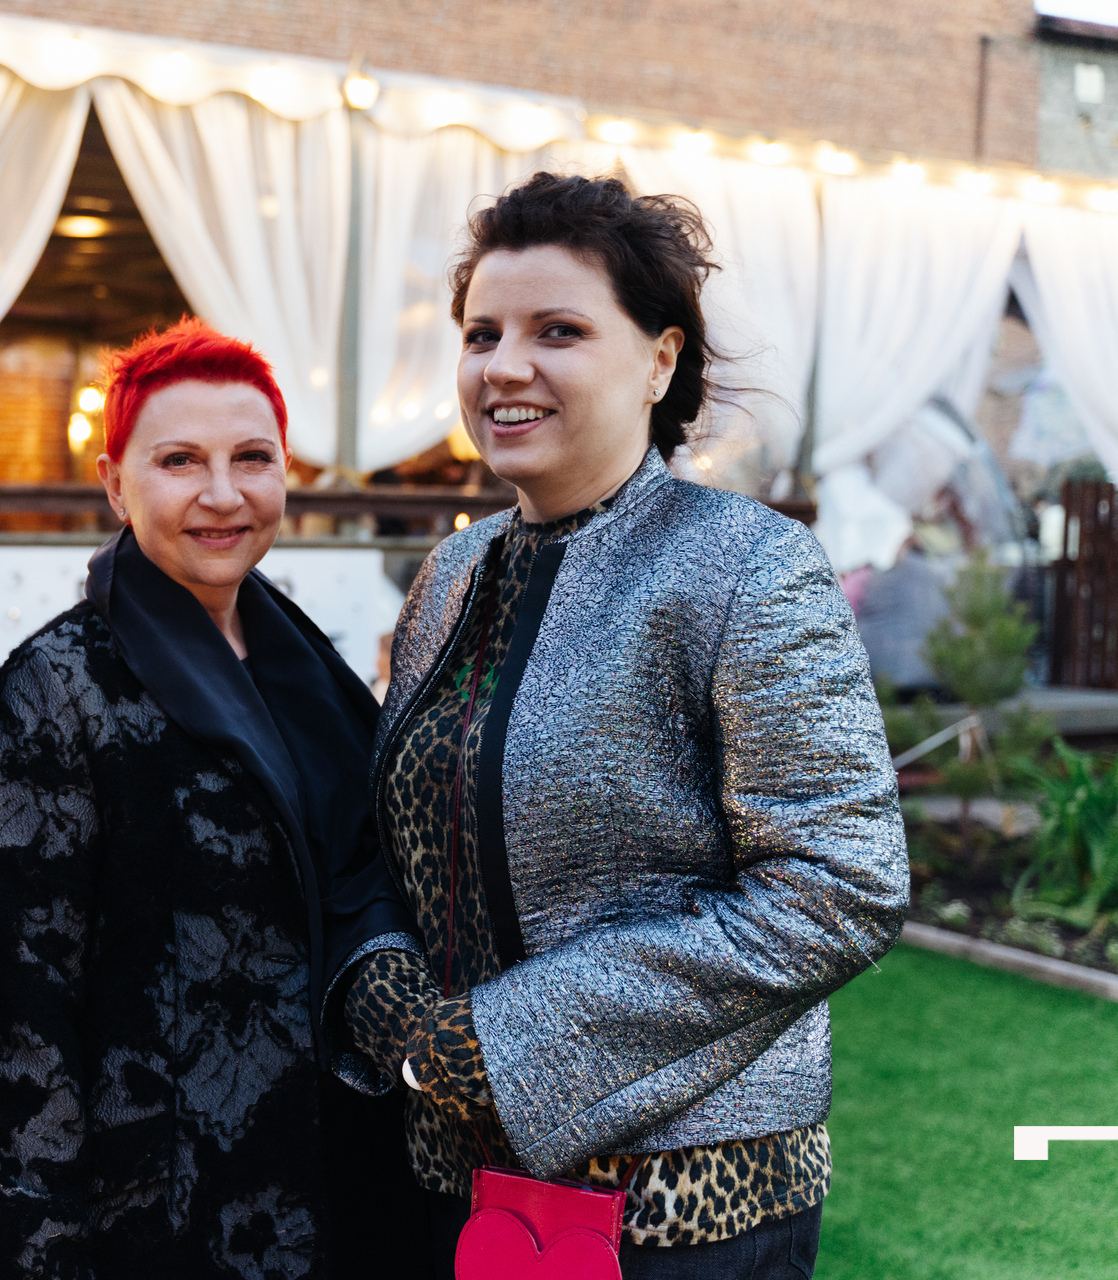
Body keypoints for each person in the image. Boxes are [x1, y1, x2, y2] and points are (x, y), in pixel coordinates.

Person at [338, 173, 907, 1278]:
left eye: (558, 331)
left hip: (682, 1211)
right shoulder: (452, 572)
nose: (505, 366)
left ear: (659, 360)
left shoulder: (747, 566)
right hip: (457, 1186)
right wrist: (379, 980)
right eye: (482, 334)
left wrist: (503, 1044)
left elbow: (840, 885)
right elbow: (394, 829)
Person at [0, 319, 429, 1279]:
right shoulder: (55, 692)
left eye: (252, 458)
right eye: (180, 461)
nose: (222, 494)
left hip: (345, 1177)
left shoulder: (305, 661)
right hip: (161, 1219)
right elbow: (22, 1021)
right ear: (114, 483)